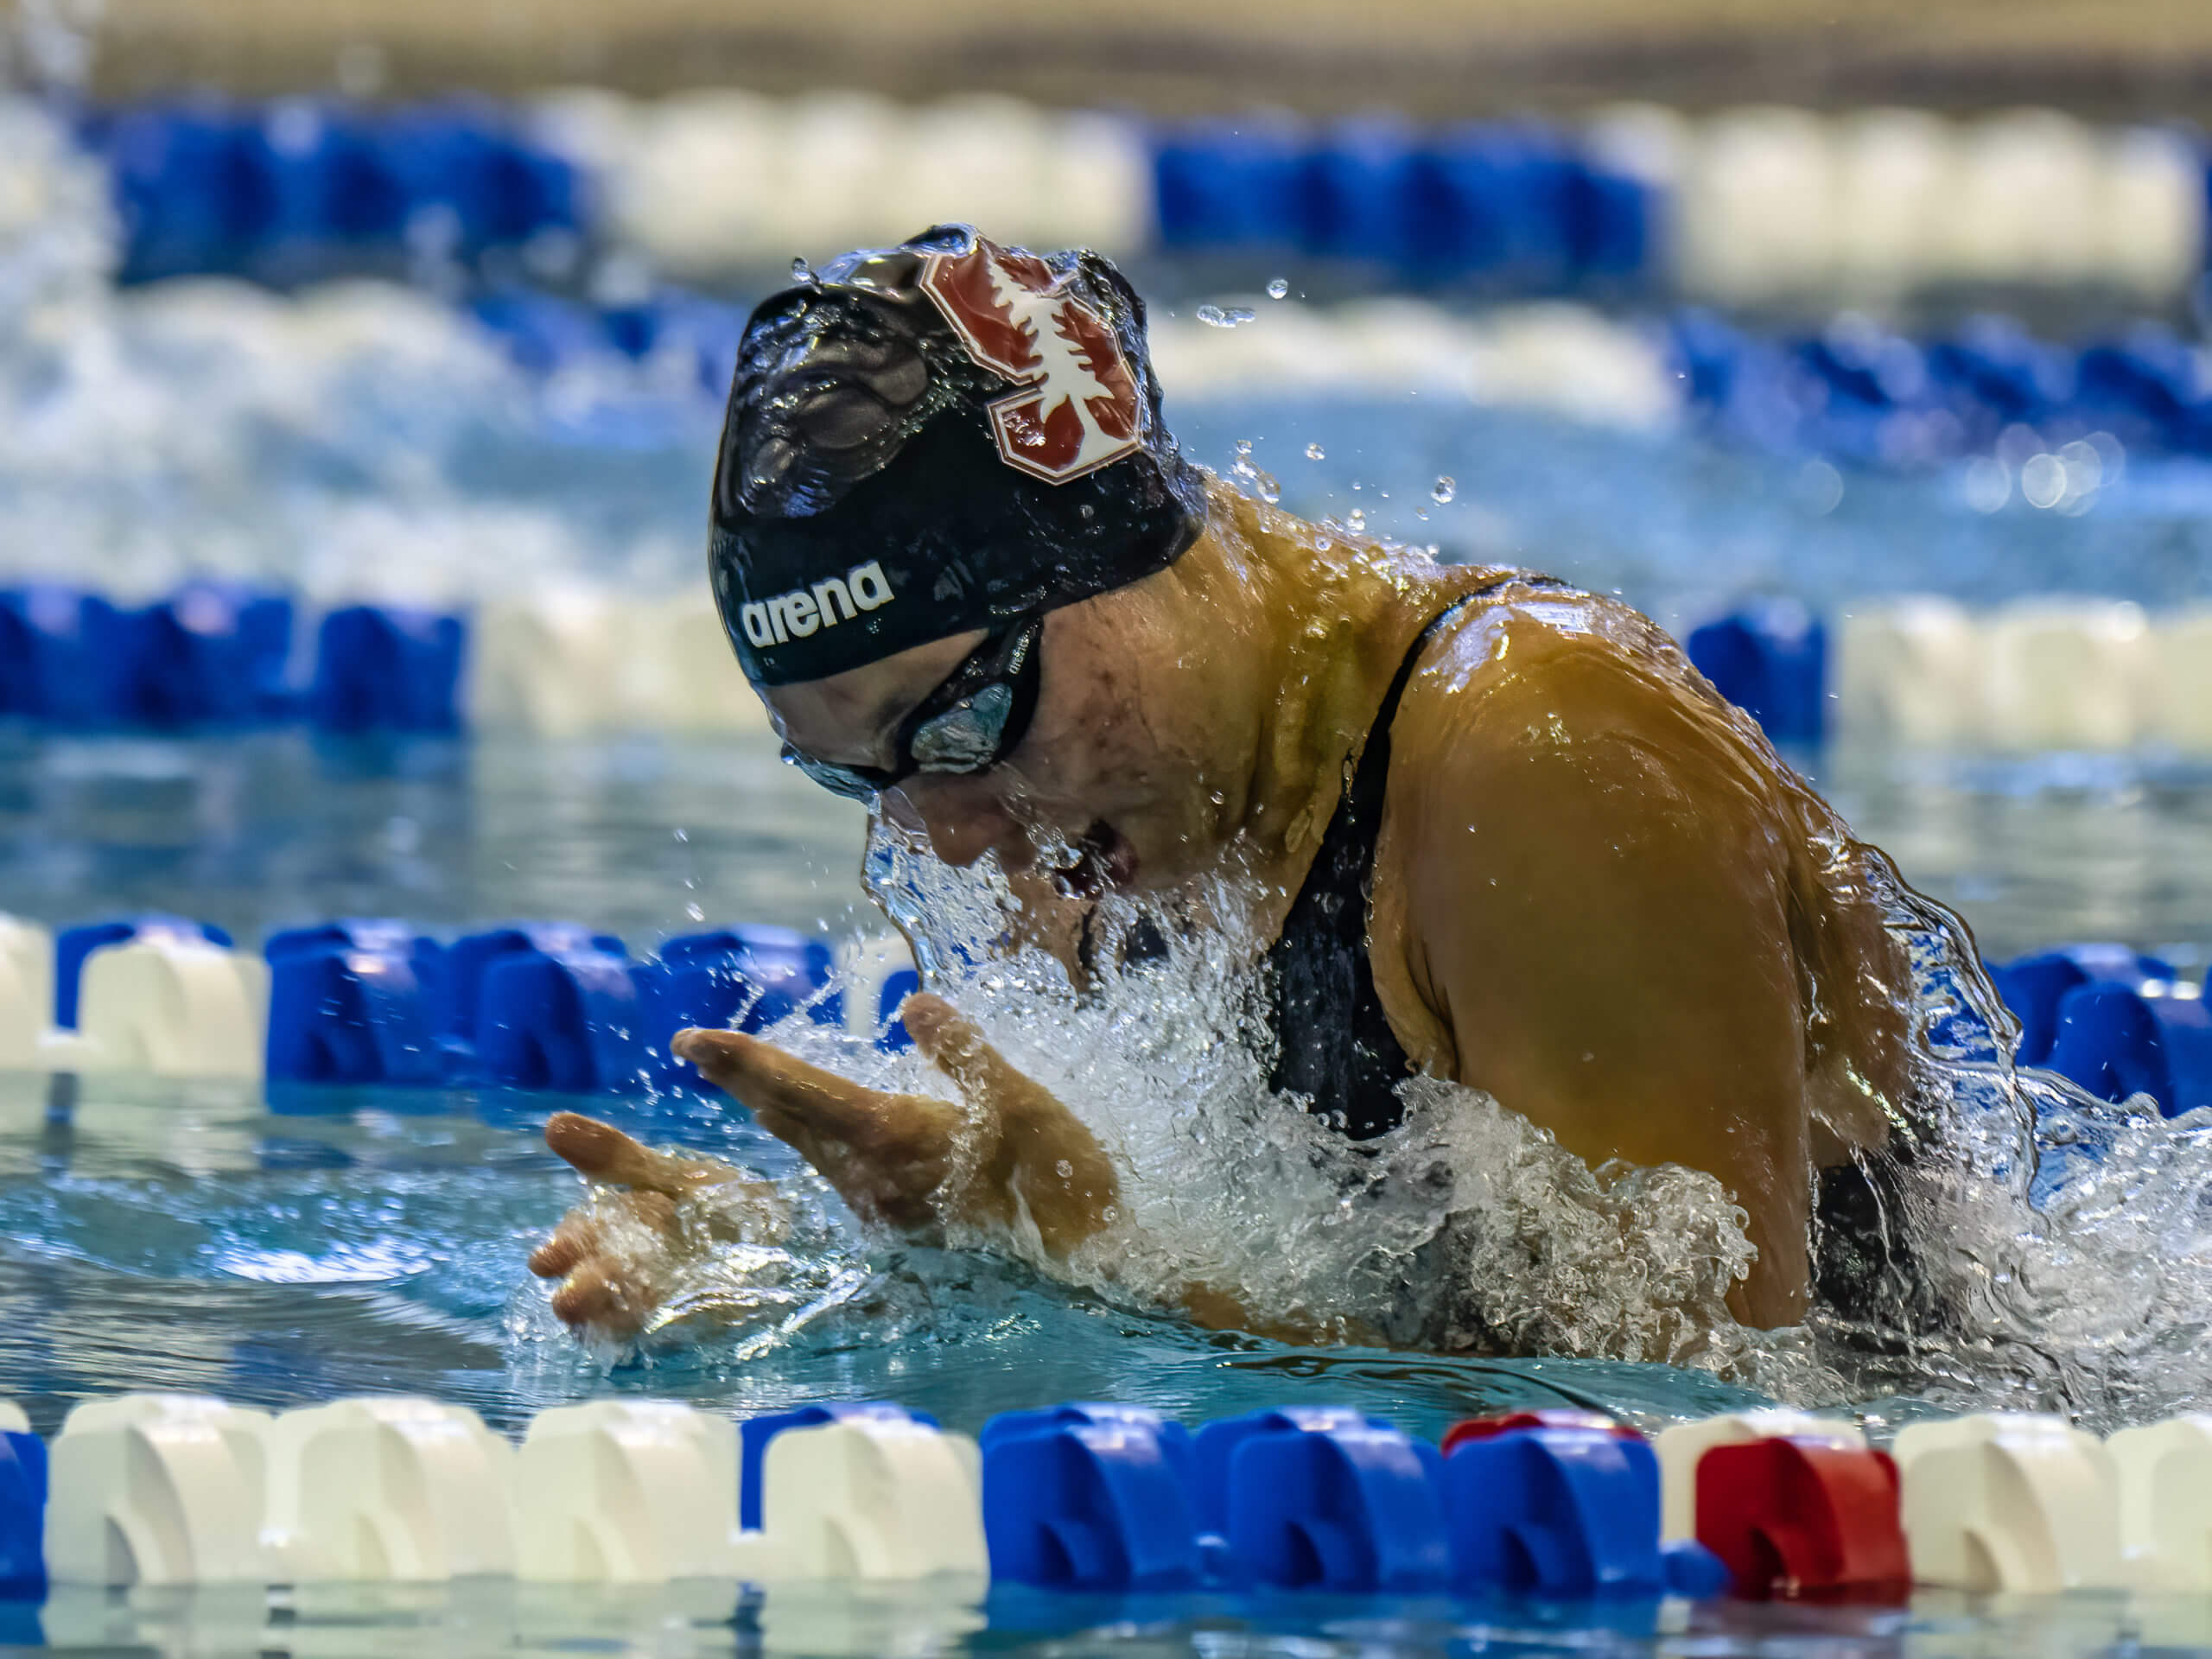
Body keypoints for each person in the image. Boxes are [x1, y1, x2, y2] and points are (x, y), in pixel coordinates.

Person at [526, 224, 1932, 1351]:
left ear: (1118, 557)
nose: (952, 838)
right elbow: (1360, 1302)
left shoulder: (1540, 755)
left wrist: (1097, 1272)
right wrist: (796, 1265)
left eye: (960, 719)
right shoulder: (1120, 822)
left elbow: (1677, 1450)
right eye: (864, 778)